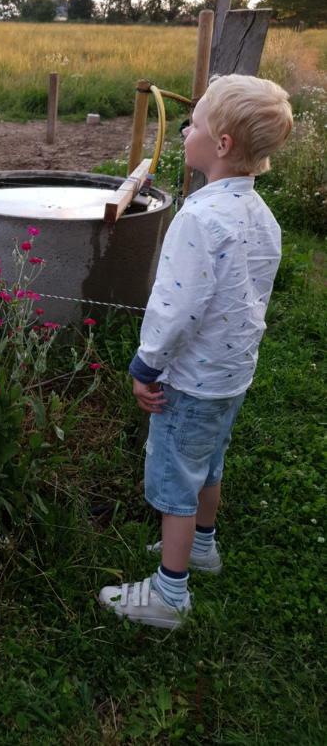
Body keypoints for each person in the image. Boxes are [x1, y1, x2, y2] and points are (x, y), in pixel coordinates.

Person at [98, 74, 293, 629]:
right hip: (231, 376)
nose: (186, 129)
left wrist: (145, 365)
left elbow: (176, 309)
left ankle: (170, 593)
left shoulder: (199, 219)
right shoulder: (262, 217)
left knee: (174, 478)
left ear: (222, 144)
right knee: (208, 463)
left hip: (189, 380)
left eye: (197, 122)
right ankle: (203, 547)